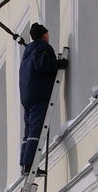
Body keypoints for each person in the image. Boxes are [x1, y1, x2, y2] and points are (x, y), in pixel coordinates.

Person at [19, 22, 68, 175]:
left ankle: (24, 164)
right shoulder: (41, 47)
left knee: (28, 132)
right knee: (36, 131)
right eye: (47, 34)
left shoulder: (27, 53)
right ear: (44, 35)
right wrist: (58, 64)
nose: (48, 36)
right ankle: (30, 164)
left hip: (27, 96)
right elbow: (43, 65)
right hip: (39, 94)